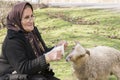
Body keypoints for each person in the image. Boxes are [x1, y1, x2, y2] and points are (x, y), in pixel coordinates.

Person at [0, 2, 67, 80]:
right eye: (26, 17)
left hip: (33, 73)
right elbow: (23, 68)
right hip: (15, 76)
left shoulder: (32, 32)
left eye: (32, 16)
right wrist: (47, 58)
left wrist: (56, 48)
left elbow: (43, 52)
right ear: (17, 20)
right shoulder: (12, 41)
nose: (31, 20)